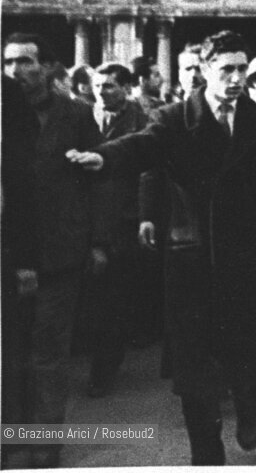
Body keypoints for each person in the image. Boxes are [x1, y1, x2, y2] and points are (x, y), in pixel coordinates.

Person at [68, 30, 256, 465]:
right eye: (227, 70)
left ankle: (246, 405)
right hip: (192, 257)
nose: (237, 78)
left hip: (247, 256)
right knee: (193, 360)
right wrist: (103, 157)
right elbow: (141, 147)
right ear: (204, 71)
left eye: (242, 69)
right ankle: (206, 446)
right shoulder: (175, 118)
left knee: (246, 345)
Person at [2, 33, 102, 469]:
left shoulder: (76, 115)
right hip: (10, 254)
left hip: (62, 251)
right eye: (8, 62)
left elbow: (100, 183)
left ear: (45, 67)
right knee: (11, 349)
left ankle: (45, 437)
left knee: (48, 349)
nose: (16, 70)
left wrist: (98, 242)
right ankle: (14, 432)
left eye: (26, 61)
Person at [85, 63, 151, 398]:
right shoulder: (83, 117)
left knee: (113, 295)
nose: (102, 91)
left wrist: (143, 216)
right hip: (86, 217)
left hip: (124, 218)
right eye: (97, 85)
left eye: (110, 85)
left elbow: (148, 172)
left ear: (126, 88)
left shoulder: (141, 120)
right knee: (96, 295)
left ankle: (105, 368)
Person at [0, 75, 40, 470]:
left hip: (6, 256)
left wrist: (26, 263)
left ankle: (13, 440)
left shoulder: (11, 149)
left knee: (10, 354)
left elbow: (23, 199)